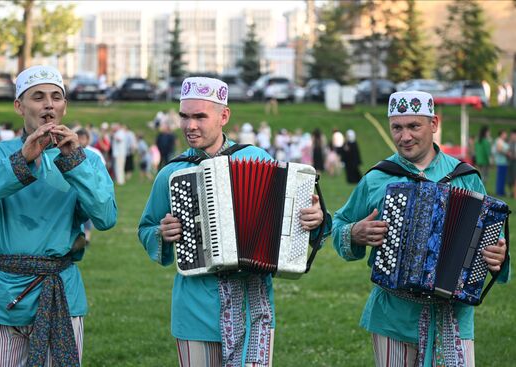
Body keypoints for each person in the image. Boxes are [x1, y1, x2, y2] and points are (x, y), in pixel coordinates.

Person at [138, 76, 331, 367]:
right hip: (194, 306)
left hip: (253, 306)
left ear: (224, 116)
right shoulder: (172, 172)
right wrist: (161, 233)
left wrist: (315, 220)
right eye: (184, 116)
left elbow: (293, 220)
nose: (190, 126)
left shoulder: (259, 159)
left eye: (200, 116)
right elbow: (146, 228)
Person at [332, 91, 508, 367]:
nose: (405, 137)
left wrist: (498, 257)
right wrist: (354, 232)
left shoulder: (466, 177)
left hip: (453, 317)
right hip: (393, 316)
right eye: (397, 128)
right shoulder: (378, 177)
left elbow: (494, 241)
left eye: (414, 126)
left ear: (434, 124)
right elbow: (339, 223)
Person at [0, 65, 117, 367]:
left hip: (60, 292)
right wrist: (21, 160)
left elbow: (105, 216)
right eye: (38, 97)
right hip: (1, 295)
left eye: (56, 97)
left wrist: (75, 162)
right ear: (19, 106)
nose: (48, 104)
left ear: (64, 106)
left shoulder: (85, 158)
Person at [493, 130, 509, 196]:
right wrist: (507, 153)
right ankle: (499, 192)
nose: (506, 135)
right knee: (501, 177)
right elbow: (499, 149)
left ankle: (501, 191)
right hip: (501, 162)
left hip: (504, 162)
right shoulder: (499, 140)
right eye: (505, 134)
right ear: (501, 134)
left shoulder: (502, 141)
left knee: (503, 177)